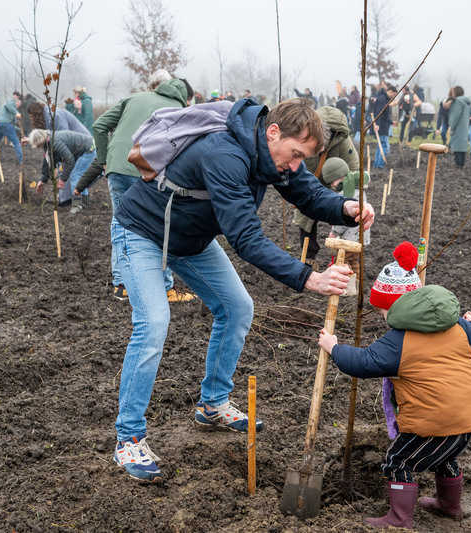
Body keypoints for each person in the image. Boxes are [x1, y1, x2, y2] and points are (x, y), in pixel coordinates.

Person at [111, 98, 375, 482]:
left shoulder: (272, 155)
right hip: (142, 230)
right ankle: (129, 437)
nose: (296, 165)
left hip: (191, 240)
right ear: (273, 133)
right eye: (296, 154)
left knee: (237, 308)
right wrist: (308, 278)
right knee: (153, 323)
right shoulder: (225, 154)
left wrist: (345, 207)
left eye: (303, 158)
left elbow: (307, 193)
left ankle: (213, 404)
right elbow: (246, 238)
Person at [318, 252, 471, 530]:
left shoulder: (399, 340)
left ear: (399, 308)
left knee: (398, 461)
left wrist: (334, 347)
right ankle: (449, 506)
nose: (384, 318)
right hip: (468, 417)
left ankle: (399, 519)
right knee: (445, 457)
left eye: (383, 312)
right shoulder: (459, 326)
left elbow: (363, 363)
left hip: (434, 420)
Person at [84, 77, 194, 302]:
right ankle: (165, 287)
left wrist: (104, 160)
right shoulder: (179, 110)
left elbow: (99, 126)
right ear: (186, 97)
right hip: (147, 170)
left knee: (121, 223)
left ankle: (122, 285)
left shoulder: (134, 97)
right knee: (159, 225)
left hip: (117, 167)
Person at [293, 105, 359, 263]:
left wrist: (343, 188)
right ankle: (308, 257)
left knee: (344, 212)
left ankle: (343, 258)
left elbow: (354, 169)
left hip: (335, 181)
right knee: (305, 216)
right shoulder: (305, 137)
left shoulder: (342, 141)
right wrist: (295, 189)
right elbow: (295, 165)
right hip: (308, 180)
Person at [323, 157, 370, 296]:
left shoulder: (346, 193)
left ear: (339, 177)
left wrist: (334, 232)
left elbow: (343, 219)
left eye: (332, 182)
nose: (332, 185)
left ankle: (347, 288)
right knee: (354, 260)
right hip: (360, 236)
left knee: (343, 261)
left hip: (350, 238)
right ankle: (356, 286)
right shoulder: (357, 188)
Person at [29, 128, 96, 213]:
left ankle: (77, 205)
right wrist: (43, 180)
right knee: (78, 176)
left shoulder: (55, 142)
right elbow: (49, 160)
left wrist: (62, 180)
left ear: (42, 141)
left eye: (39, 146)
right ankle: (84, 203)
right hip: (80, 151)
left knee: (75, 176)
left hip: (89, 149)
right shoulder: (47, 140)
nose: (39, 148)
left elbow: (70, 160)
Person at [0, 91, 23, 164]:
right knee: (16, 142)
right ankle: (20, 161)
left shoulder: (10, 109)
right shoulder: (11, 102)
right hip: (5, 124)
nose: (19, 106)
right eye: (19, 104)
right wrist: (17, 113)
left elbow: (13, 124)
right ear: (17, 102)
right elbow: (9, 105)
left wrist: (19, 130)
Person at [371, 83, 396, 169]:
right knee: (384, 145)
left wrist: (391, 122)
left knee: (380, 145)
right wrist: (377, 124)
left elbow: (385, 115)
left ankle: (377, 164)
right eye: (394, 94)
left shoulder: (385, 99)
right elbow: (378, 113)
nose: (393, 97)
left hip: (384, 125)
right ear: (390, 92)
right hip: (382, 126)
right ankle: (380, 165)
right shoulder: (382, 99)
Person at [446, 86, 471, 168]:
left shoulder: (457, 102)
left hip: (458, 127)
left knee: (457, 147)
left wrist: (451, 126)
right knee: (462, 147)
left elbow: (455, 116)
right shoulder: (466, 102)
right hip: (464, 127)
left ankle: (458, 166)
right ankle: (461, 165)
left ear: (456, 92)